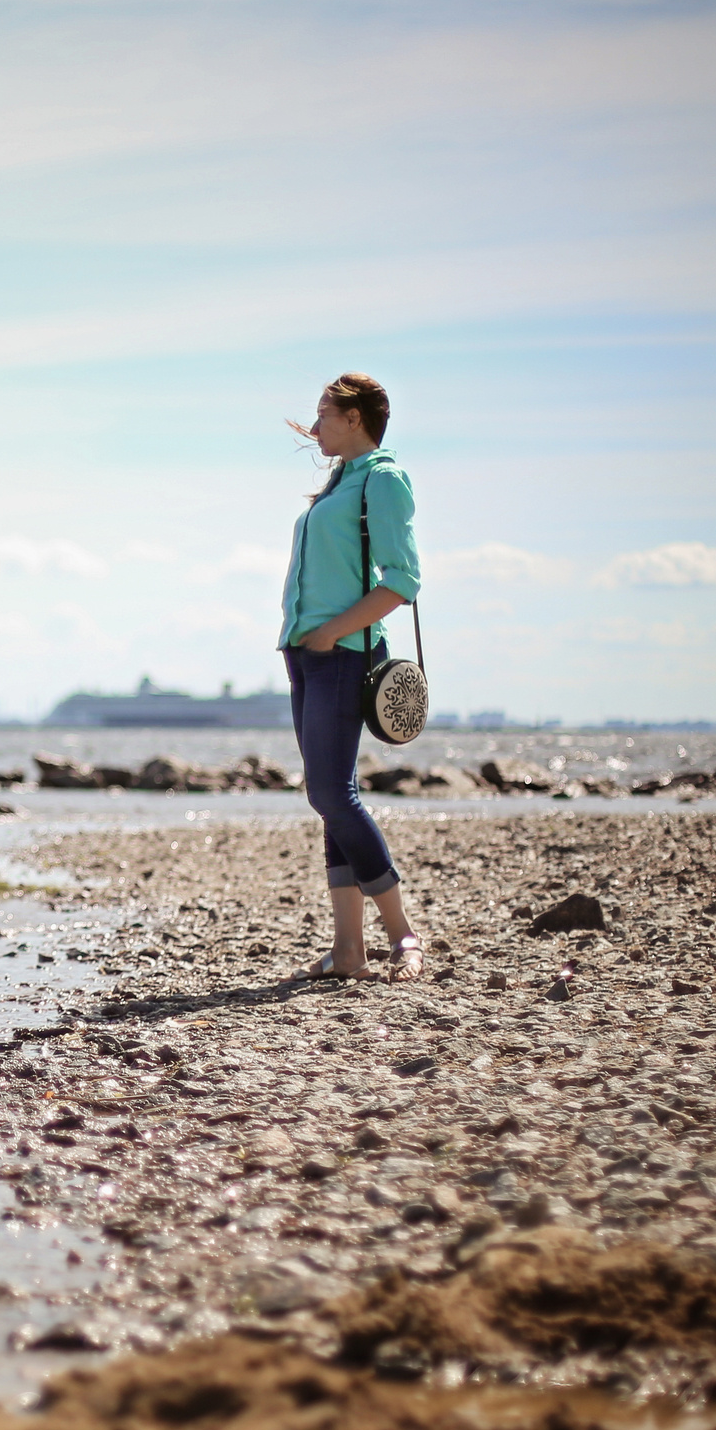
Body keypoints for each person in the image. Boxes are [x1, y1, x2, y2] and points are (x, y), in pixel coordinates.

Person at [279, 372, 424, 981]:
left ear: (355, 418)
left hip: (344, 653)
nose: (314, 427)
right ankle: (347, 951)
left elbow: (403, 580)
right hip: (306, 652)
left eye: (324, 414)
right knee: (330, 798)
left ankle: (405, 936)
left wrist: (334, 632)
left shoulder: (383, 479)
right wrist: (307, 637)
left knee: (332, 795)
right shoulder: (340, 481)